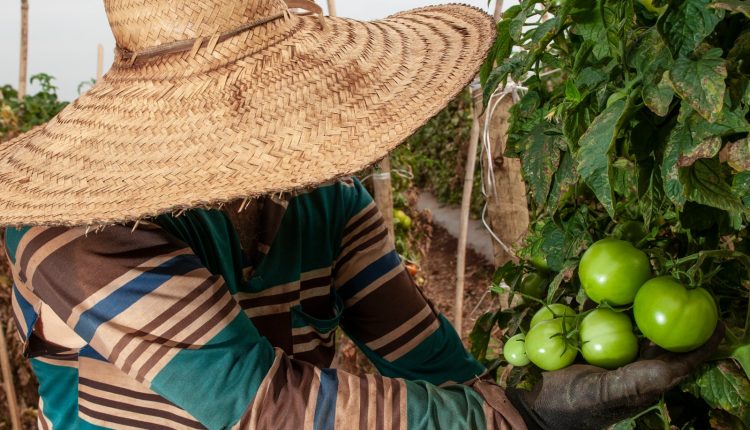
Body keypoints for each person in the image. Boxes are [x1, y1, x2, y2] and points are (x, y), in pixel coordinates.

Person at [0, 0, 721, 429]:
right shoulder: (73, 232)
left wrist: (507, 400)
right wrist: (519, 416)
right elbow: (257, 407)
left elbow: (428, 362)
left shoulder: (326, 207)